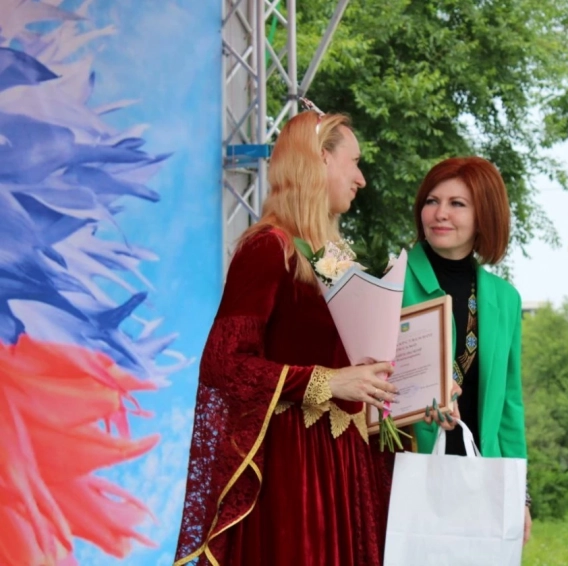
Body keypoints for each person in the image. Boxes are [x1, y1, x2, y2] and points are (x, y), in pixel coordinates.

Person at [173, 108, 399, 566]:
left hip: (341, 462)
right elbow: (223, 362)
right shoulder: (267, 247)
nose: (361, 180)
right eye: (354, 163)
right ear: (320, 159)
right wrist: (327, 381)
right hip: (294, 466)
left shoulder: (330, 258)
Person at [402, 156, 532, 544]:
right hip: (407, 475)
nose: (439, 213)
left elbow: (509, 406)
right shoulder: (390, 282)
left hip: (482, 480)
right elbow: (369, 382)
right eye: (431, 201)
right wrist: (418, 400)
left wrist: (520, 493)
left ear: (484, 216)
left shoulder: (505, 298)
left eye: (457, 204)